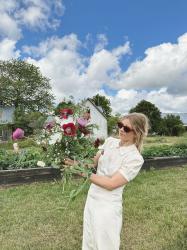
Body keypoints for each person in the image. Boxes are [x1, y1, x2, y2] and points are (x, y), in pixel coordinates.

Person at [64, 112, 149, 250]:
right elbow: (92, 163)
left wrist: (80, 171)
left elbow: (111, 184)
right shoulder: (110, 141)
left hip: (107, 205)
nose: (121, 129)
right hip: (92, 198)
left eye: (126, 128)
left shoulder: (135, 158)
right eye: (120, 125)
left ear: (137, 133)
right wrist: (74, 162)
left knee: (105, 243)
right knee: (90, 239)